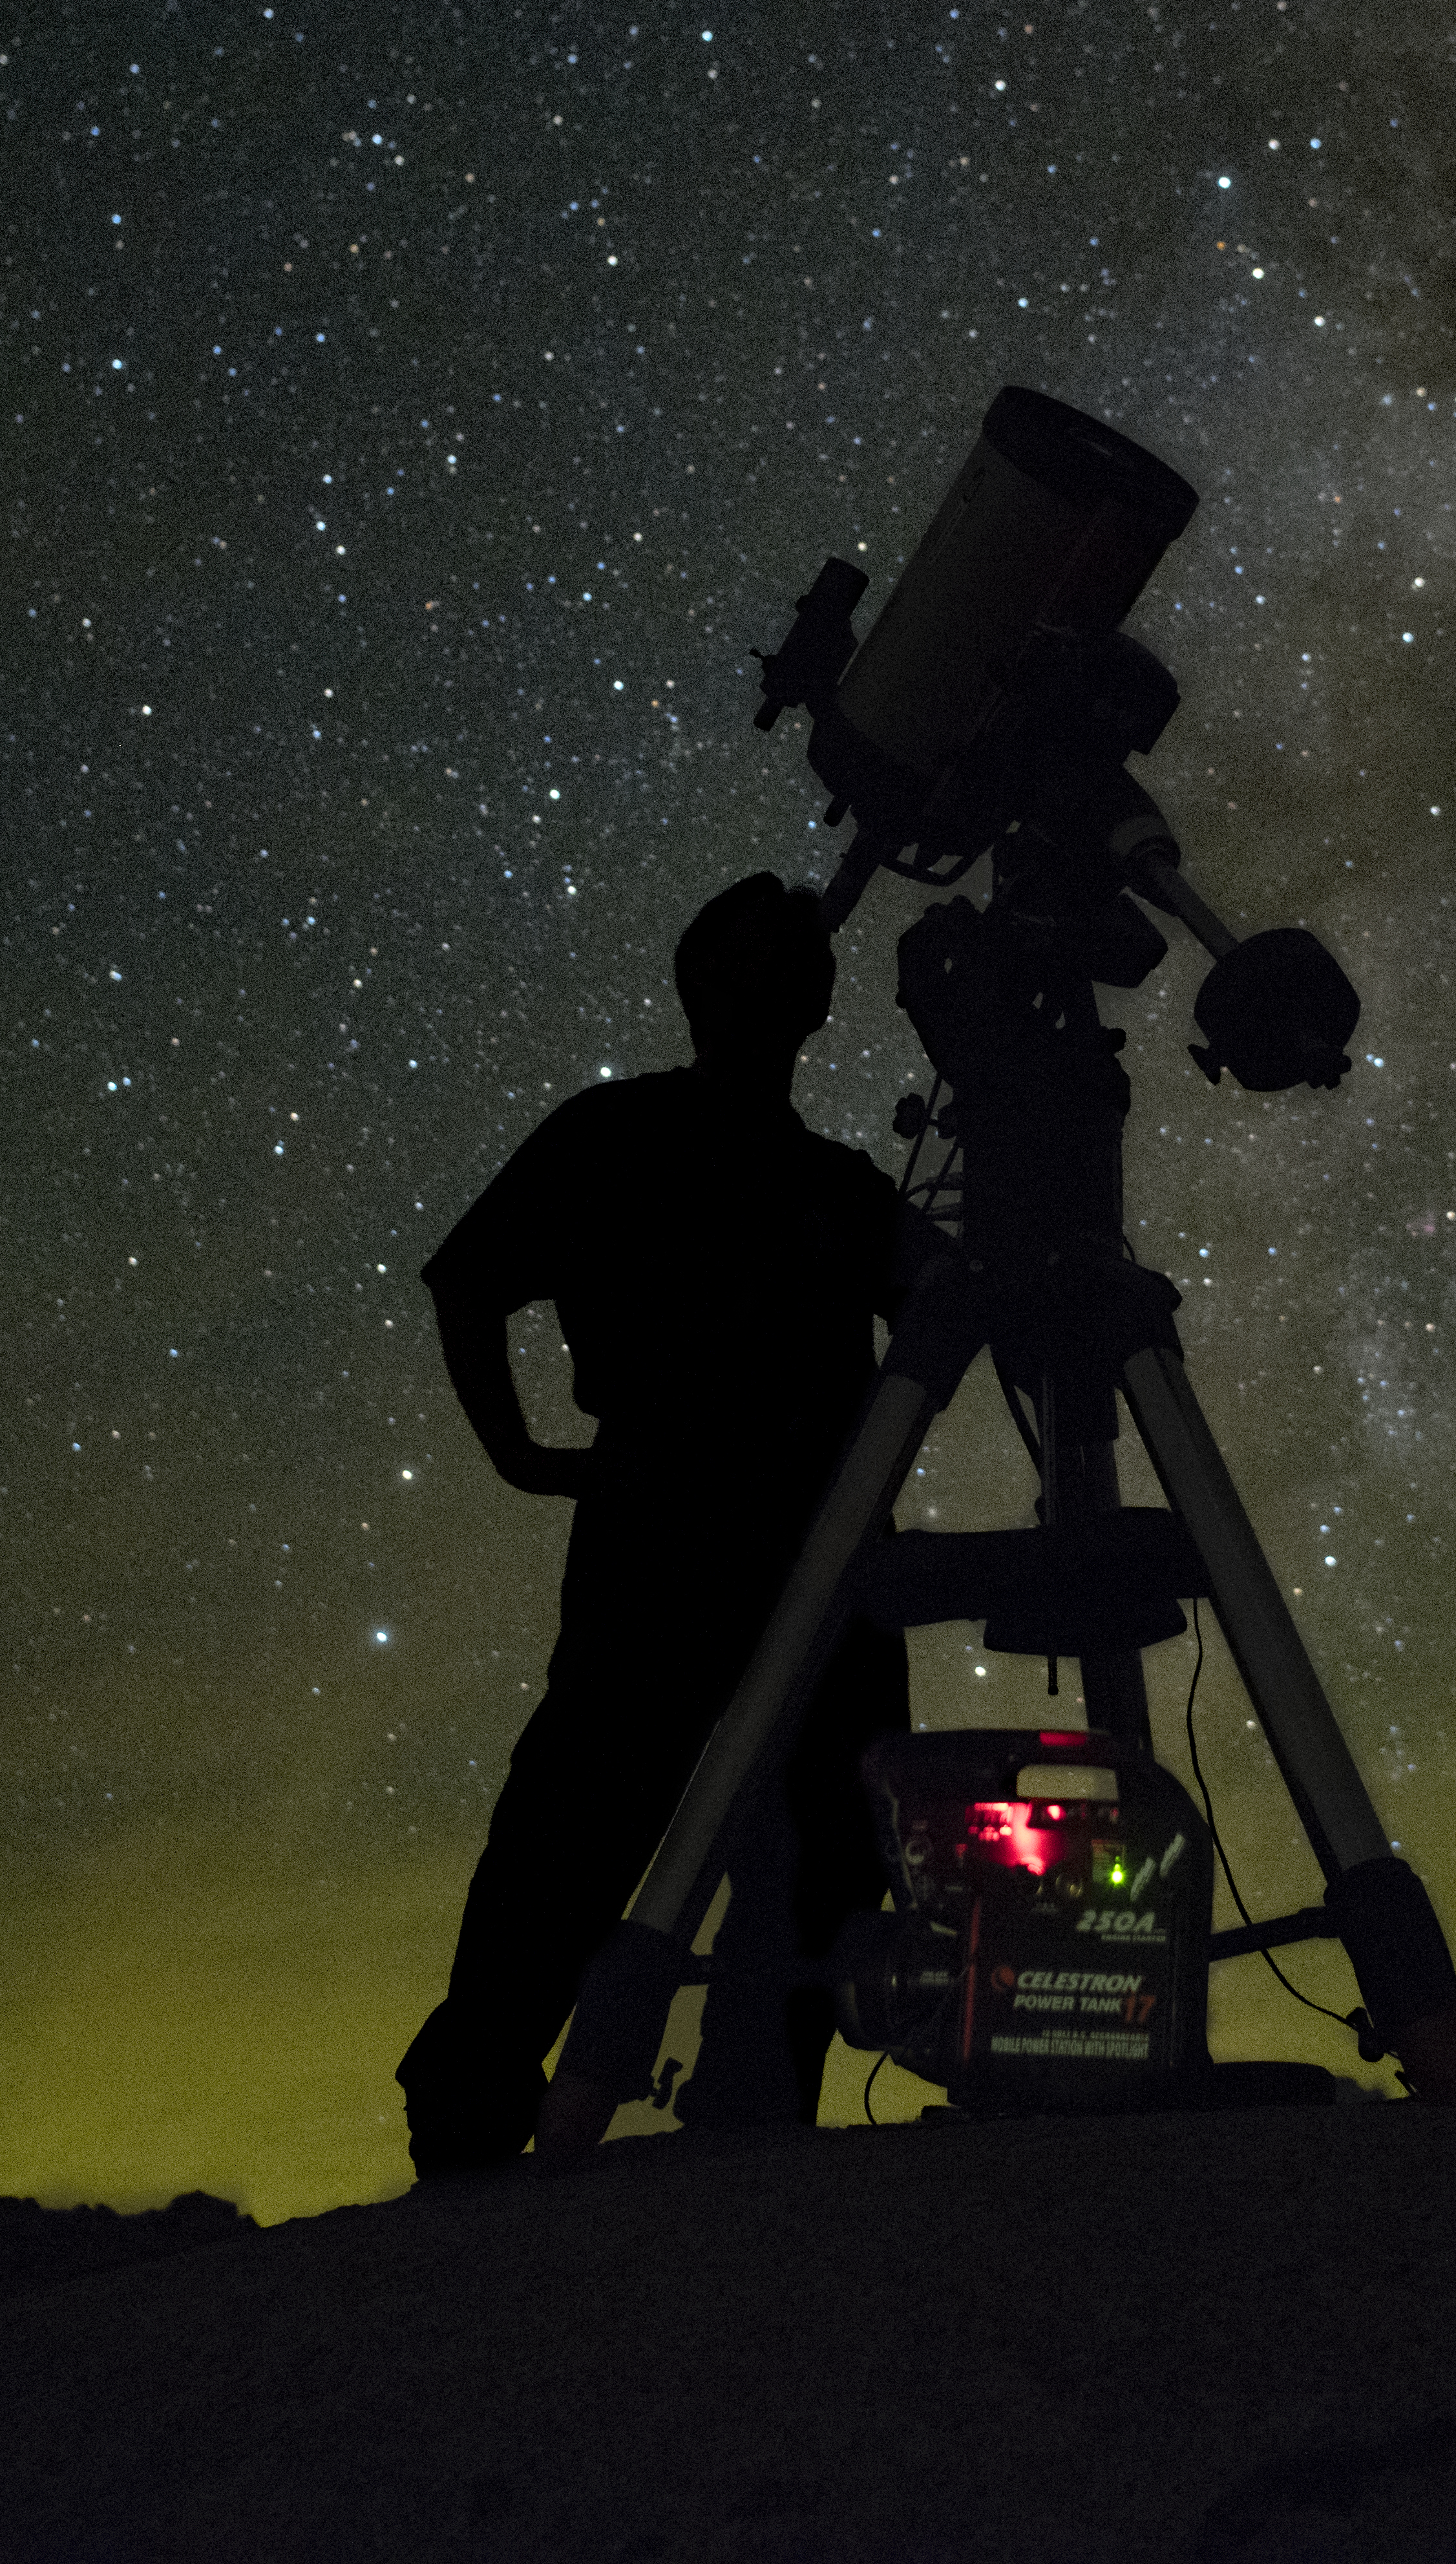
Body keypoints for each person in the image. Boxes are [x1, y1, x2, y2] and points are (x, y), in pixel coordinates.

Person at [392, 871, 920, 2178]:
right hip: (665, 1528)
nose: (775, 977)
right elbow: (468, 1281)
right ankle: (470, 2120)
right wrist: (518, 1453)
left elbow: (951, 1301)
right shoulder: (613, 1133)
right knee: (575, 1825)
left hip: (824, 1550)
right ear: (702, 984)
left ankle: (751, 2126)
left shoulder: (841, 1187)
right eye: (752, 957)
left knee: (822, 1842)